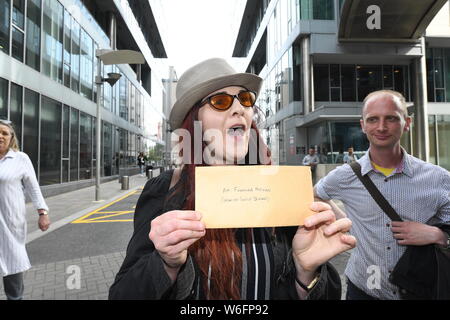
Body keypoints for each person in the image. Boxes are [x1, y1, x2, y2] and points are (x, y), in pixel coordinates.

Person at [109, 58, 356, 300]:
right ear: (195, 122)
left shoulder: (279, 189)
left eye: (246, 99)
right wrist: (166, 264)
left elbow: (320, 291)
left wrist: (306, 273)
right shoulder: (165, 190)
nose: (239, 108)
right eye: (220, 101)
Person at [314, 90, 450, 300]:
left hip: (421, 291)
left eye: (391, 118)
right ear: (363, 125)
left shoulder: (438, 178)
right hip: (362, 291)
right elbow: (316, 196)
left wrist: (439, 236)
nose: (381, 127)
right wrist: (347, 224)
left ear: (407, 122)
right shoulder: (345, 176)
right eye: (373, 119)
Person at [0, 120, 51, 300]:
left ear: (11, 137)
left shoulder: (20, 158)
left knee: (12, 268)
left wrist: (42, 213)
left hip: (10, 220)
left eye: (5, 133)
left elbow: (33, 187)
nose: (1, 136)